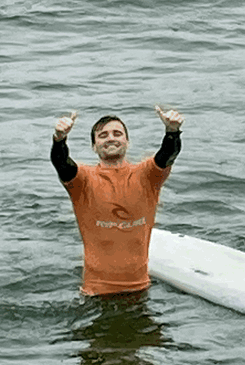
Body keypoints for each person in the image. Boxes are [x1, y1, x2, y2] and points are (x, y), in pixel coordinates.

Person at [51, 106, 183, 296]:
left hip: (140, 289)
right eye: (102, 135)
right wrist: (59, 139)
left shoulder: (147, 175)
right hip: (96, 292)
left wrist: (172, 132)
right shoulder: (82, 180)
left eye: (117, 133)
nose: (110, 138)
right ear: (94, 146)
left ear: (127, 142)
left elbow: (168, 155)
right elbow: (62, 163)